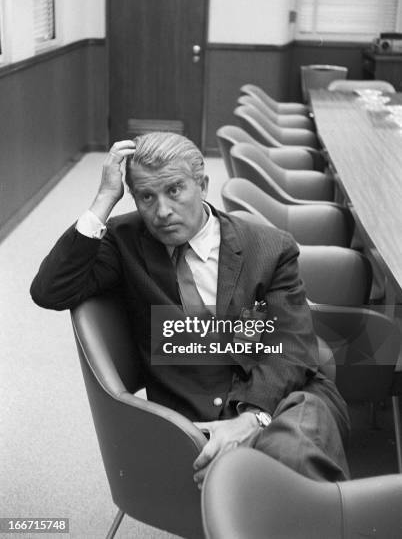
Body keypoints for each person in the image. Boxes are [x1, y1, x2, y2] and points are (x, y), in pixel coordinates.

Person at [30, 132, 350, 488]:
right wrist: (104, 198)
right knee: (278, 476)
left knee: (291, 451)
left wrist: (252, 419)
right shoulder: (124, 241)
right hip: (196, 417)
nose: (162, 211)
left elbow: (291, 346)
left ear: (203, 185)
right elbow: (50, 290)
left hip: (282, 397)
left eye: (175, 190)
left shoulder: (269, 248)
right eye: (146, 196)